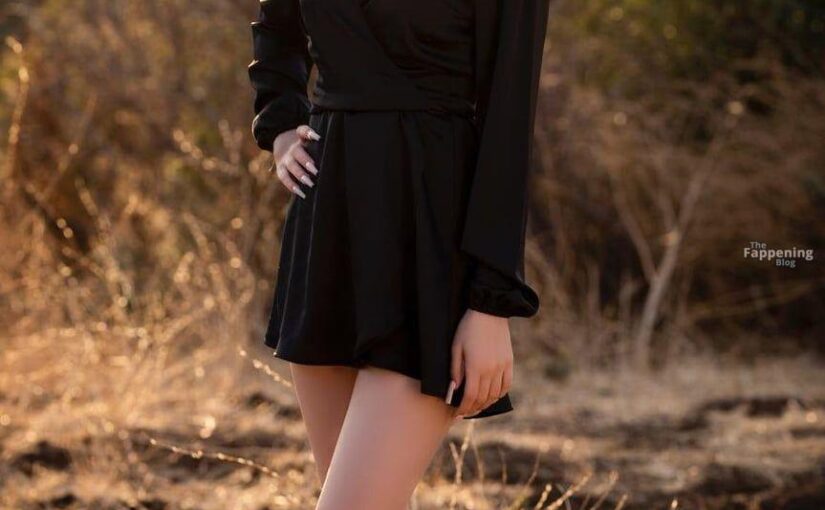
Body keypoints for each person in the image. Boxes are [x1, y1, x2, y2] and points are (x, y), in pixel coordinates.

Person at [247, 0, 549, 507]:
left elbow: (509, 121)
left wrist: (491, 304)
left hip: (430, 239)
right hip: (328, 225)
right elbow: (277, 28)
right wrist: (280, 126)